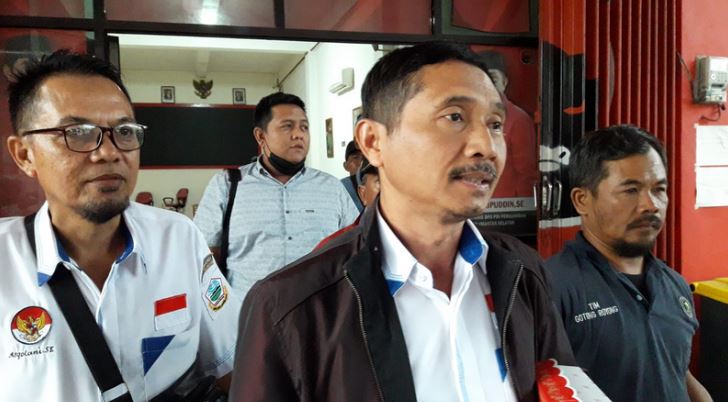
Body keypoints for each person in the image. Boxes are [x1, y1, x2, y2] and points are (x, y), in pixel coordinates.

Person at [229, 41, 575, 402]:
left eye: (496, 124)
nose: (485, 146)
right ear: (373, 141)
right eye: (454, 117)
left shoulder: (521, 271)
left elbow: (562, 387)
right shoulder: (289, 307)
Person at [0, 50, 240, 401]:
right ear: (24, 155)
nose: (109, 152)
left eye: (124, 131)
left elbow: (229, 366)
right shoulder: (6, 262)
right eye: (78, 132)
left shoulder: (178, 239)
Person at [545, 125, 713, 402]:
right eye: (631, 190)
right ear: (582, 200)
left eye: (659, 189)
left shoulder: (675, 285)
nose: (651, 205)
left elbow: (678, 373)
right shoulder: (551, 288)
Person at [193, 92, 359, 296]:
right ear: (260, 136)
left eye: (304, 127)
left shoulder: (331, 188)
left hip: (319, 310)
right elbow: (204, 254)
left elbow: (355, 247)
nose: (298, 134)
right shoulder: (227, 185)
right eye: (287, 126)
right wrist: (219, 309)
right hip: (247, 310)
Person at [477, 50, 538, 198]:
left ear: (504, 82)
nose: (489, 86)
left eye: (493, 79)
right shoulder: (470, 117)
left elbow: (526, 174)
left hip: (507, 207)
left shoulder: (519, 119)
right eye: (483, 80)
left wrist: (524, 207)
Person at [341, 140, 365, 211]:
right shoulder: (341, 188)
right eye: (356, 157)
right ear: (345, 165)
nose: (361, 162)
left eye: (365, 158)